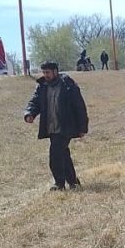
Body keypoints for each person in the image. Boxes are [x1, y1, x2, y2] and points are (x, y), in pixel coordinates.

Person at [23, 61, 89, 191]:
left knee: (55, 154)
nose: (45, 75)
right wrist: (29, 113)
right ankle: (73, 182)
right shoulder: (42, 86)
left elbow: (79, 106)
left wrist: (82, 127)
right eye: (44, 72)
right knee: (63, 154)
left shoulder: (68, 85)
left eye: (48, 72)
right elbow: (35, 101)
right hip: (51, 127)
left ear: (55, 71)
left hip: (66, 126)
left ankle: (59, 184)